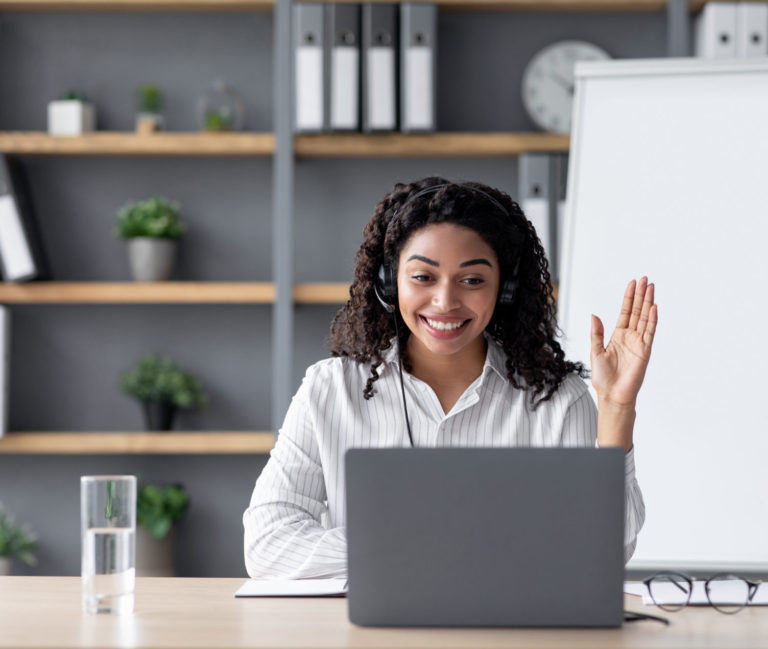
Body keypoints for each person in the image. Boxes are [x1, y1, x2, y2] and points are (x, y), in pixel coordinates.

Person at [243, 177, 658, 579]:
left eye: (473, 280)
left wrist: (617, 408)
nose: (445, 301)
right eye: (423, 277)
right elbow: (268, 542)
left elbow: (602, 553)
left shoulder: (558, 400)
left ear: (505, 289)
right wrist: (418, 548)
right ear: (390, 283)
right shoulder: (330, 390)